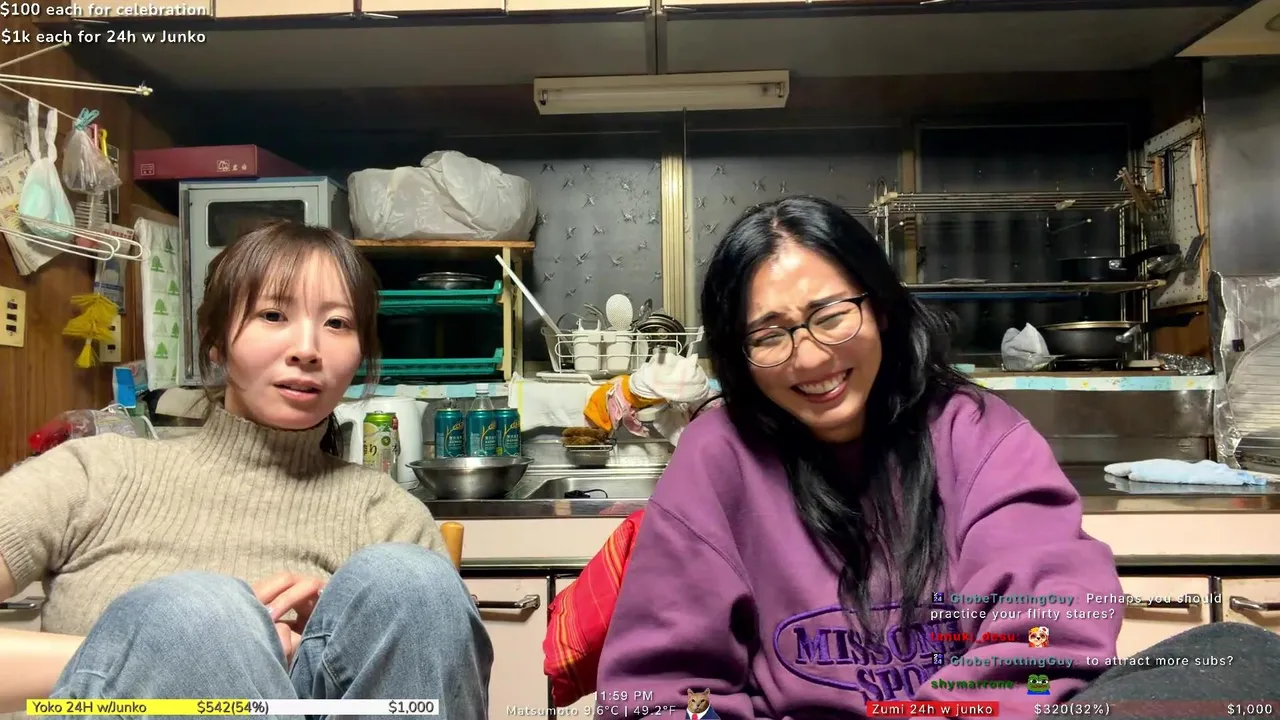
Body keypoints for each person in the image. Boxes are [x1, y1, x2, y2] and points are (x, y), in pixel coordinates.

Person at [594, 196, 1280, 719]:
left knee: (1241, 656)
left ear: (882, 309)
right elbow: (654, 694)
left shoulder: (974, 432)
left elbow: (1048, 632)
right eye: (769, 335)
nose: (809, 357)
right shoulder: (717, 457)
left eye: (831, 316)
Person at [0, 220, 492, 719]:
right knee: (200, 614)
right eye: (273, 315)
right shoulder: (95, 475)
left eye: (337, 323)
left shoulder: (387, 516)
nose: (307, 349)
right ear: (215, 341)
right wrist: (154, 653)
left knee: (410, 580)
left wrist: (340, 641)